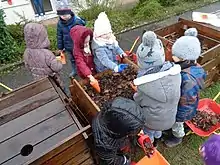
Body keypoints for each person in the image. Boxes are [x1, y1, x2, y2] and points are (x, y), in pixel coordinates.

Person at [133, 31, 181, 145]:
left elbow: (138, 100)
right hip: (170, 118)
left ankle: (151, 142)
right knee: (158, 128)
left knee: (149, 131)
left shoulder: (144, 85)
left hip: (151, 121)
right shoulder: (175, 74)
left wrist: (135, 92)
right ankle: (158, 137)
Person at [165, 28, 206, 147]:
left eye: (175, 56)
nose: (172, 57)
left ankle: (177, 137)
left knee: (177, 125)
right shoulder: (193, 66)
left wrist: (179, 116)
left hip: (182, 109)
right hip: (186, 104)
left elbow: (186, 101)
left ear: (185, 59)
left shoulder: (187, 79)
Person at [92, 97, 144, 165]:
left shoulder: (109, 116)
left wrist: (138, 130)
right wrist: (125, 161)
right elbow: (109, 161)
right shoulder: (104, 145)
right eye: (132, 131)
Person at [56, 0, 86, 77]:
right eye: (62, 16)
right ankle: (75, 70)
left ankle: (84, 70)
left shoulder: (76, 21)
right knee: (72, 60)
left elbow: (84, 32)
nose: (64, 17)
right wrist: (60, 47)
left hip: (78, 46)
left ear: (70, 12)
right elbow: (59, 35)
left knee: (81, 59)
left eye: (66, 15)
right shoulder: (60, 24)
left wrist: (85, 43)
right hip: (68, 47)